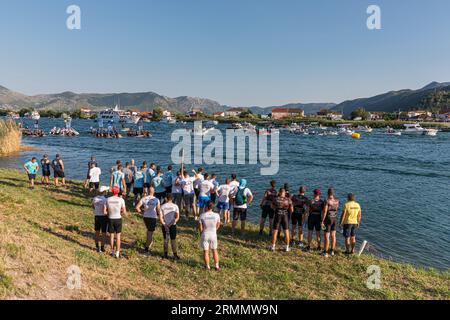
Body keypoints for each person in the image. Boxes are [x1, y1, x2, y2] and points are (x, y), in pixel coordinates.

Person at [136, 187, 160, 253]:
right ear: (154, 191)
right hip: (153, 217)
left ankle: (149, 242)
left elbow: (137, 207)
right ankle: (146, 248)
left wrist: (141, 213)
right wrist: (159, 216)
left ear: (148, 191)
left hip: (145, 217)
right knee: (150, 233)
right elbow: (158, 210)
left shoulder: (144, 198)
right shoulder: (157, 200)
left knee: (149, 231)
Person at [199, 201, 221, 270]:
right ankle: (217, 266)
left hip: (205, 234)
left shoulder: (202, 215)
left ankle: (207, 266)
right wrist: (215, 230)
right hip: (213, 234)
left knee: (206, 251)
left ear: (206, 206)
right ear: (212, 207)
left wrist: (201, 232)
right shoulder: (217, 215)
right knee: (214, 250)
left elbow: (200, 227)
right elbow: (218, 225)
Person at [106, 186, 127, 258]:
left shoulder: (108, 199)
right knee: (118, 236)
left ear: (112, 191)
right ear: (118, 192)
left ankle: (112, 251)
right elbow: (124, 212)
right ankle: (117, 252)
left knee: (111, 236)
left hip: (111, 218)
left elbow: (106, 210)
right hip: (118, 218)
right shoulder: (121, 200)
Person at [159, 194, 180, 259]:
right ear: (172, 198)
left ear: (166, 198)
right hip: (172, 225)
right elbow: (177, 217)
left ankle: (165, 254)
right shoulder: (175, 206)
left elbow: (160, 217)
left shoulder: (162, 206)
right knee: (173, 240)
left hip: (165, 225)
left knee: (166, 240)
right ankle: (175, 255)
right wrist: (170, 224)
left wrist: (165, 225)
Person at [322, 188, 340, 257]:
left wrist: (322, 220)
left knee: (327, 236)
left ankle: (325, 252)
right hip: (334, 219)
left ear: (328, 193)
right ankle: (332, 250)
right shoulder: (337, 201)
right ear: (333, 193)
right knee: (333, 235)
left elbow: (325, 211)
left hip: (328, 219)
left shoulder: (327, 201)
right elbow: (336, 209)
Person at [92, 186, 109, 253]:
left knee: (97, 232)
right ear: (104, 192)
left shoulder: (95, 198)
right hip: (103, 217)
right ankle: (102, 247)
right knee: (104, 233)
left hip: (97, 216)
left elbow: (93, 206)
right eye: (106, 191)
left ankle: (97, 247)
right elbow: (106, 209)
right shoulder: (105, 200)